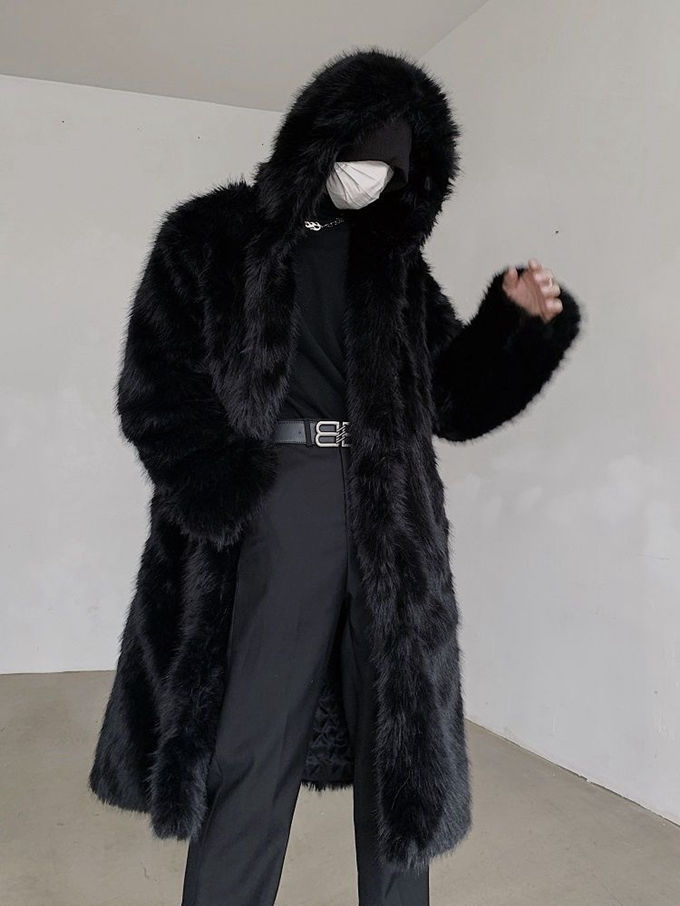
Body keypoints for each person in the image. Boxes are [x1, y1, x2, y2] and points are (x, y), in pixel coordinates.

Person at [89, 48, 582, 905]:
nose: (373, 178)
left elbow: (454, 400)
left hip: (390, 511)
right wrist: (224, 492)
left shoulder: (391, 270)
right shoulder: (211, 236)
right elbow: (155, 387)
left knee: (400, 749)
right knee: (252, 740)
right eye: (363, 157)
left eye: (394, 168)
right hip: (279, 498)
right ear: (316, 142)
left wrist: (516, 326)